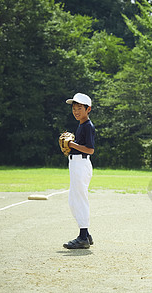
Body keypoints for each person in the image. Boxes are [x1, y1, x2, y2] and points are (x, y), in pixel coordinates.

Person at [63, 93, 96, 249]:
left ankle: (83, 237)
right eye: (74, 108)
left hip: (81, 164)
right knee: (73, 201)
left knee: (79, 200)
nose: (76, 111)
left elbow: (90, 150)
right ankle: (86, 234)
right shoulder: (82, 125)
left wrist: (72, 145)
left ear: (88, 109)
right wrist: (72, 145)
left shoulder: (88, 126)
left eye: (79, 108)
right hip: (76, 164)